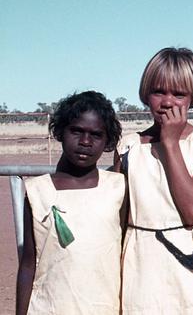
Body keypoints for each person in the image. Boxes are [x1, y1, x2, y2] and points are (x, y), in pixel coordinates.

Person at [115, 47, 193, 314]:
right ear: (146, 94)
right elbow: (118, 219)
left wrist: (170, 143)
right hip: (142, 271)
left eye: (179, 94)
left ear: (192, 98)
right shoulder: (129, 146)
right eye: (159, 91)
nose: (168, 102)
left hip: (191, 273)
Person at [16, 91, 126, 315]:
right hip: (50, 307)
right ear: (60, 131)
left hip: (105, 307)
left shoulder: (118, 188)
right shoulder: (38, 191)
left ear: (107, 141)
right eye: (76, 131)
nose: (85, 141)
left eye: (96, 134)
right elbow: (28, 263)